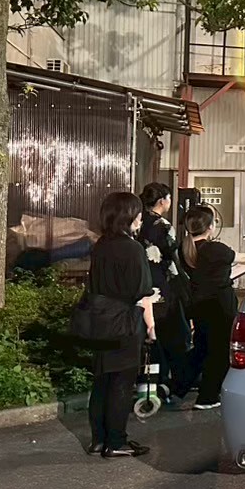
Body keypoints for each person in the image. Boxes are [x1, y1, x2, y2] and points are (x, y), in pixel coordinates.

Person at [83, 191, 158, 457]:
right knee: (122, 382)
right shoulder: (133, 249)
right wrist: (151, 327)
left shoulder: (101, 245)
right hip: (125, 322)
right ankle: (116, 442)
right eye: (138, 214)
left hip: (100, 321)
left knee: (102, 381)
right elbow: (142, 294)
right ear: (129, 217)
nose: (140, 218)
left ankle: (98, 440)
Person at [182, 205, 238, 411]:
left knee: (202, 347)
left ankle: (176, 386)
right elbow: (239, 257)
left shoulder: (185, 249)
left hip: (198, 304)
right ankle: (208, 396)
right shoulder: (215, 249)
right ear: (210, 226)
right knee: (219, 351)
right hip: (219, 306)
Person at [138, 182, 190, 404]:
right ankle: (170, 383)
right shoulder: (163, 225)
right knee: (173, 335)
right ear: (162, 201)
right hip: (163, 286)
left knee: (151, 336)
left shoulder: (138, 222)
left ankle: (150, 380)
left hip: (143, 284)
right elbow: (172, 254)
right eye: (168, 198)